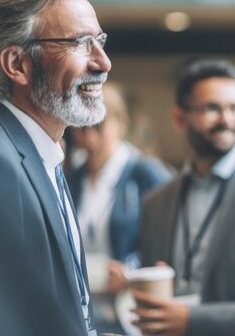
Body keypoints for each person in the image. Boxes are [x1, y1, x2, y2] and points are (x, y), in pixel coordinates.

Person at [0, 0, 111, 335]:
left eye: (100, 41)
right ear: (16, 64)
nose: (104, 62)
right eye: (81, 44)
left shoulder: (40, 154)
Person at [133, 58, 235, 336]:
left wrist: (193, 319)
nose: (226, 120)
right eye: (212, 108)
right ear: (179, 118)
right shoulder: (156, 202)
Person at [68, 82, 171, 332]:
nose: (88, 138)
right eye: (80, 128)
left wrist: (130, 271)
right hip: (84, 302)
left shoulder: (146, 174)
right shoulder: (72, 177)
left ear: (120, 124)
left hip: (128, 305)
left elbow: (167, 243)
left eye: (98, 127)